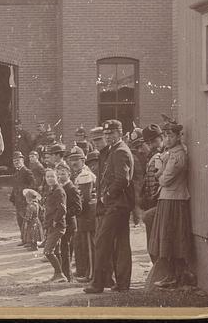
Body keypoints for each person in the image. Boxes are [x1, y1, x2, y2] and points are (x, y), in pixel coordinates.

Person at [84, 119, 134, 294]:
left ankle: (98, 283)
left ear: (120, 133)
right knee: (120, 244)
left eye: (111, 133)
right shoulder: (114, 150)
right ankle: (122, 284)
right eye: (105, 134)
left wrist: (106, 196)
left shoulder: (120, 151)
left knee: (102, 242)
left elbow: (123, 179)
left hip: (117, 204)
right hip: (117, 204)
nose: (108, 136)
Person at [149, 121, 195, 289]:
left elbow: (164, 179)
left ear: (178, 136)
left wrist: (159, 173)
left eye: (171, 136)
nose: (167, 139)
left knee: (171, 238)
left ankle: (175, 276)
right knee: (167, 238)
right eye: (165, 136)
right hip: (168, 199)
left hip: (174, 200)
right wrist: (160, 171)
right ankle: (175, 275)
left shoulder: (177, 156)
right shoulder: (170, 153)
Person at [68, 148, 97, 282]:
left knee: (90, 246)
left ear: (83, 160)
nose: (73, 163)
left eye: (76, 160)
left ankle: (91, 274)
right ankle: (85, 271)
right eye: (71, 160)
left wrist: (75, 211)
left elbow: (85, 198)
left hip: (87, 214)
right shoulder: (78, 174)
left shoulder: (85, 174)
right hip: (83, 214)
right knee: (83, 244)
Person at [139, 124, 164, 257]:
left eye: (154, 141)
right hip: (151, 202)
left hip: (160, 202)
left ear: (161, 138)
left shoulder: (163, 155)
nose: (152, 145)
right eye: (149, 143)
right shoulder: (151, 156)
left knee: (157, 242)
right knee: (152, 242)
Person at [55, 162, 81, 282]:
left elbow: (78, 208)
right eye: (59, 174)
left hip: (69, 224)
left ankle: (68, 276)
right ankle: (63, 274)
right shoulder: (60, 187)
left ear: (69, 174)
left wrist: (64, 214)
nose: (61, 176)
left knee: (66, 250)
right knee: (62, 249)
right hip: (62, 223)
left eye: (63, 174)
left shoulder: (72, 188)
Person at [42, 168, 67, 283]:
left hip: (57, 226)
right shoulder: (51, 190)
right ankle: (58, 274)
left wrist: (55, 221)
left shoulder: (58, 191)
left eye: (52, 176)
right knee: (56, 252)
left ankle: (60, 274)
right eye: (47, 177)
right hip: (51, 225)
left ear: (57, 177)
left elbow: (62, 209)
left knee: (48, 251)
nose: (50, 179)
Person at [9, 151, 35, 244]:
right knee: (20, 221)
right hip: (18, 201)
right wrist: (12, 198)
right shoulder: (16, 172)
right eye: (14, 161)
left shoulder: (27, 172)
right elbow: (15, 186)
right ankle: (24, 239)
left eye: (18, 160)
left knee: (27, 221)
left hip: (25, 201)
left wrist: (28, 196)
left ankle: (30, 240)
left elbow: (33, 185)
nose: (16, 162)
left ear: (23, 160)